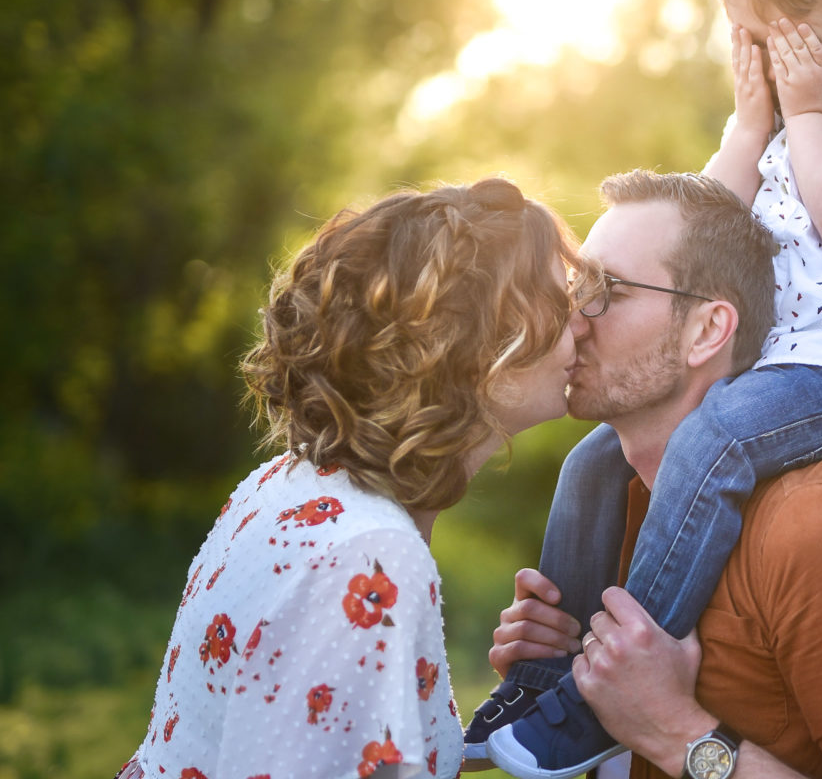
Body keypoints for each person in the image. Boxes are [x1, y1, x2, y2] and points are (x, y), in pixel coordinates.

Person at [471, 0, 822, 775]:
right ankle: (549, 682)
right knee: (590, 463)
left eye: (801, 37)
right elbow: (709, 230)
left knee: (715, 438)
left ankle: (592, 700)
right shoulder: (779, 125)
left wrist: (803, 115)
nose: (782, 63)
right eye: (755, 41)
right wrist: (750, 123)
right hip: (775, 370)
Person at [486, 169, 822, 778]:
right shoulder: (615, 511)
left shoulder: (817, 534)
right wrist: (559, 674)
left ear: (708, 330)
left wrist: (679, 734)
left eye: (609, 289)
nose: (576, 318)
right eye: (578, 285)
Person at [114, 178, 600, 779]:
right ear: (470, 342)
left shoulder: (286, 484)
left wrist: (494, 711)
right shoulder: (369, 556)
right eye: (561, 303)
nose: (583, 325)